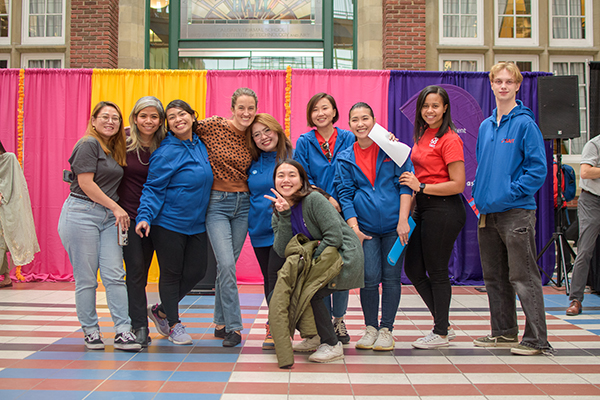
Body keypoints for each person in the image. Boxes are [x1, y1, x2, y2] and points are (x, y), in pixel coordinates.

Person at [472, 62, 551, 355]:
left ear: (518, 86)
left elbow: (537, 170)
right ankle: (504, 332)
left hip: (516, 213)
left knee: (523, 276)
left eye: (509, 82)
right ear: (491, 85)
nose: (503, 86)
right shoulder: (485, 126)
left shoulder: (525, 124)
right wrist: (482, 196)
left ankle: (536, 339)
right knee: (494, 277)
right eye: (498, 81)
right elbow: (483, 167)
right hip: (488, 214)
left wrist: (510, 192)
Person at [58, 101, 141, 351]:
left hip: (107, 219)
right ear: (93, 120)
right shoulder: (88, 144)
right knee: (87, 280)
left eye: (115, 118)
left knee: (115, 275)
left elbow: (137, 129)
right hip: (81, 213)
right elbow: (86, 183)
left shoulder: (112, 147)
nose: (110, 122)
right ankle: (91, 331)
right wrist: (117, 208)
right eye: (104, 117)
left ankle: (123, 331)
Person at [267, 160, 364, 363]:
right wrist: (284, 216)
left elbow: (334, 237)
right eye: (280, 175)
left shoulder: (314, 200)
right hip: (321, 259)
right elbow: (282, 249)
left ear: (302, 180)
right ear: (274, 180)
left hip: (343, 255)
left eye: (292, 175)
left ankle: (331, 343)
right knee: (291, 288)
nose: (286, 180)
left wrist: (311, 261)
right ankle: (314, 337)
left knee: (312, 291)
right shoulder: (279, 209)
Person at [335, 102, 413, 351]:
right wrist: (354, 228)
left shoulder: (393, 150)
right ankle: (370, 327)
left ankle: (386, 329)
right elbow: (345, 195)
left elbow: (405, 185)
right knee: (368, 278)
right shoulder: (345, 157)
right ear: (349, 125)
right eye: (355, 119)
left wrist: (403, 221)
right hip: (365, 228)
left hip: (394, 226)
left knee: (391, 278)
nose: (361, 124)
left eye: (365, 118)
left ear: (374, 120)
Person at [136, 100, 213, 345]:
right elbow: (153, 187)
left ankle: (160, 311)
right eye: (171, 117)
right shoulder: (166, 151)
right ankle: (173, 324)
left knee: (197, 271)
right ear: (167, 124)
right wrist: (145, 216)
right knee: (171, 273)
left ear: (192, 116)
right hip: (168, 223)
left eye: (182, 114)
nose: (178, 119)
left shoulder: (200, 144)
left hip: (197, 223)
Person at [400, 85, 466, 349]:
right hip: (424, 207)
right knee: (413, 268)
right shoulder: (423, 135)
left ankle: (440, 332)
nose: (430, 110)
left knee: (437, 270)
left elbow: (458, 184)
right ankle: (444, 325)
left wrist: (423, 187)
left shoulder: (450, 138)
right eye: (426, 106)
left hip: (445, 208)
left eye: (435, 106)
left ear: (445, 108)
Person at [293, 92, 355, 349]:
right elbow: (302, 178)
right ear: (310, 115)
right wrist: (327, 198)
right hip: (317, 211)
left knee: (343, 268)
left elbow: (355, 167)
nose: (321, 113)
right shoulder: (305, 141)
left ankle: (339, 320)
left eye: (325, 108)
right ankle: (323, 324)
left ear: (334, 111)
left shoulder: (348, 137)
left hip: (347, 209)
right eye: (315, 109)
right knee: (320, 268)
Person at [196, 88, 257, 347]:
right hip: (216, 204)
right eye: (241, 107)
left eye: (250, 108)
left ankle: (220, 322)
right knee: (228, 265)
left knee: (226, 266)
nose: (246, 113)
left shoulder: (255, 133)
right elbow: (181, 128)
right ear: (232, 108)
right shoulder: (213, 125)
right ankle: (234, 326)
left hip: (244, 204)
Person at [118, 96, 166, 347]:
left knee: (175, 272)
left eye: (154, 116)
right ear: (135, 117)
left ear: (161, 120)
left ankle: (165, 313)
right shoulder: (122, 140)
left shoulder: (168, 143)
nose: (148, 121)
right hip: (131, 215)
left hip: (164, 217)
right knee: (136, 271)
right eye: (143, 115)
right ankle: (138, 325)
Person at [246, 113, 293, 349]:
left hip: (285, 229)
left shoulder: (292, 156)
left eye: (267, 130)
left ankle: (276, 325)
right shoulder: (252, 162)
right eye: (256, 134)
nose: (263, 137)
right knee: (269, 279)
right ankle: (277, 323)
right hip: (258, 230)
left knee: (278, 277)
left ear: (277, 130)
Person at [566, 135, 600, 316]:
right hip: (592, 199)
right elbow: (586, 172)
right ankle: (576, 299)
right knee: (585, 249)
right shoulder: (594, 144)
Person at [0, 140, 40, 288]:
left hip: (7, 206)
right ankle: (6, 278)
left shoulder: (8, 159)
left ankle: (6, 277)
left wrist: (2, 194)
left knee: (4, 244)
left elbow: (14, 182)